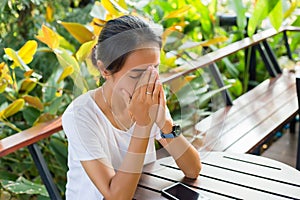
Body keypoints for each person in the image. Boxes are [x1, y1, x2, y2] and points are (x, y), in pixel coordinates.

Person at [62, 15, 201, 200]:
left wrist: (166, 123)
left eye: (154, 70)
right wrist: (143, 126)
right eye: (137, 74)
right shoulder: (80, 116)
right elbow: (116, 196)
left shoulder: (147, 100)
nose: (149, 82)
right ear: (105, 70)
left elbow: (193, 169)